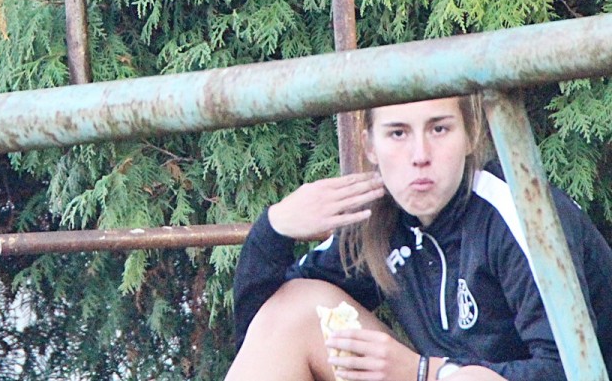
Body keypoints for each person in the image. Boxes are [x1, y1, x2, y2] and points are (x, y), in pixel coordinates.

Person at [227, 96, 612, 381]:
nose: (420, 155)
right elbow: (264, 334)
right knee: (298, 306)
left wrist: (426, 372)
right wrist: (274, 228)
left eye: (439, 129)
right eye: (398, 133)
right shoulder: (381, 218)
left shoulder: (518, 211)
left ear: (471, 134)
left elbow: (571, 371)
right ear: (370, 146)